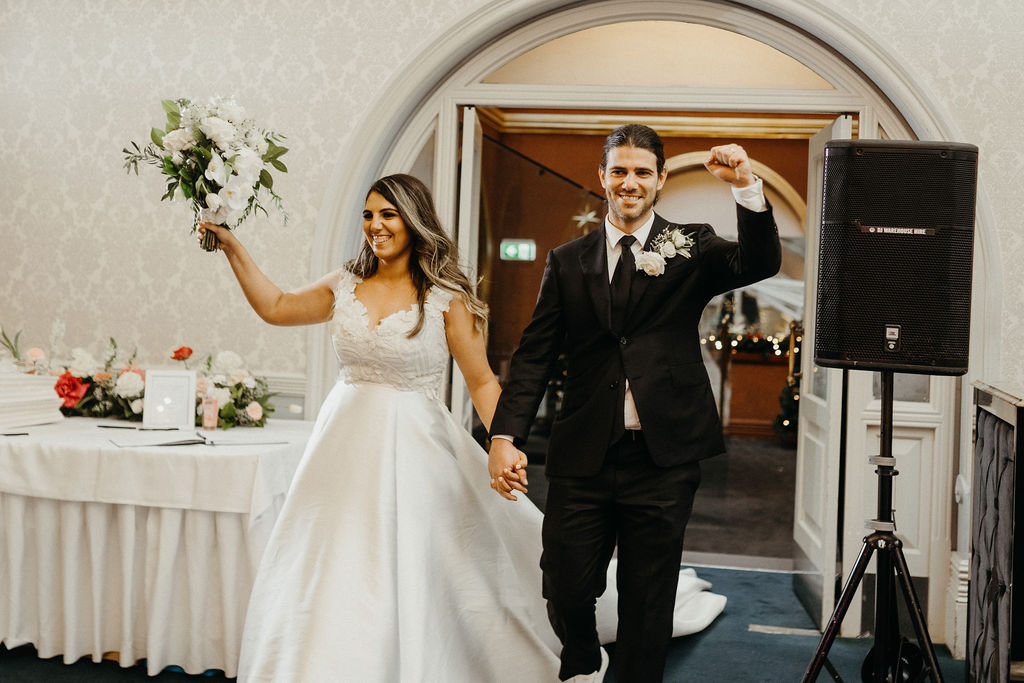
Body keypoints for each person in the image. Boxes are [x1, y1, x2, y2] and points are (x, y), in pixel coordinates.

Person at [199, 173, 725, 682]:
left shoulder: (445, 296)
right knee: (332, 554)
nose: (375, 225)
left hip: (415, 449)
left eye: (388, 214)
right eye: (368, 215)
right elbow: (277, 306)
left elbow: (481, 381)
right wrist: (231, 246)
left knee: (418, 560)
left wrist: (505, 443)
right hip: (341, 446)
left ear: (414, 221)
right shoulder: (345, 284)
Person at [489, 125, 781, 682]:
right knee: (567, 583)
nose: (630, 182)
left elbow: (759, 262)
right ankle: (580, 660)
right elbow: (534, 357)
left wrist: (745, 185)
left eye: (642, 172)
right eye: (619, 170)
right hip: (583, 455)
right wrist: (505, 436)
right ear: (602, 177)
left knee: (649, 600)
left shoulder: (691, 246)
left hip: (663, 458)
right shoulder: (567, 261)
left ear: (661, 179)